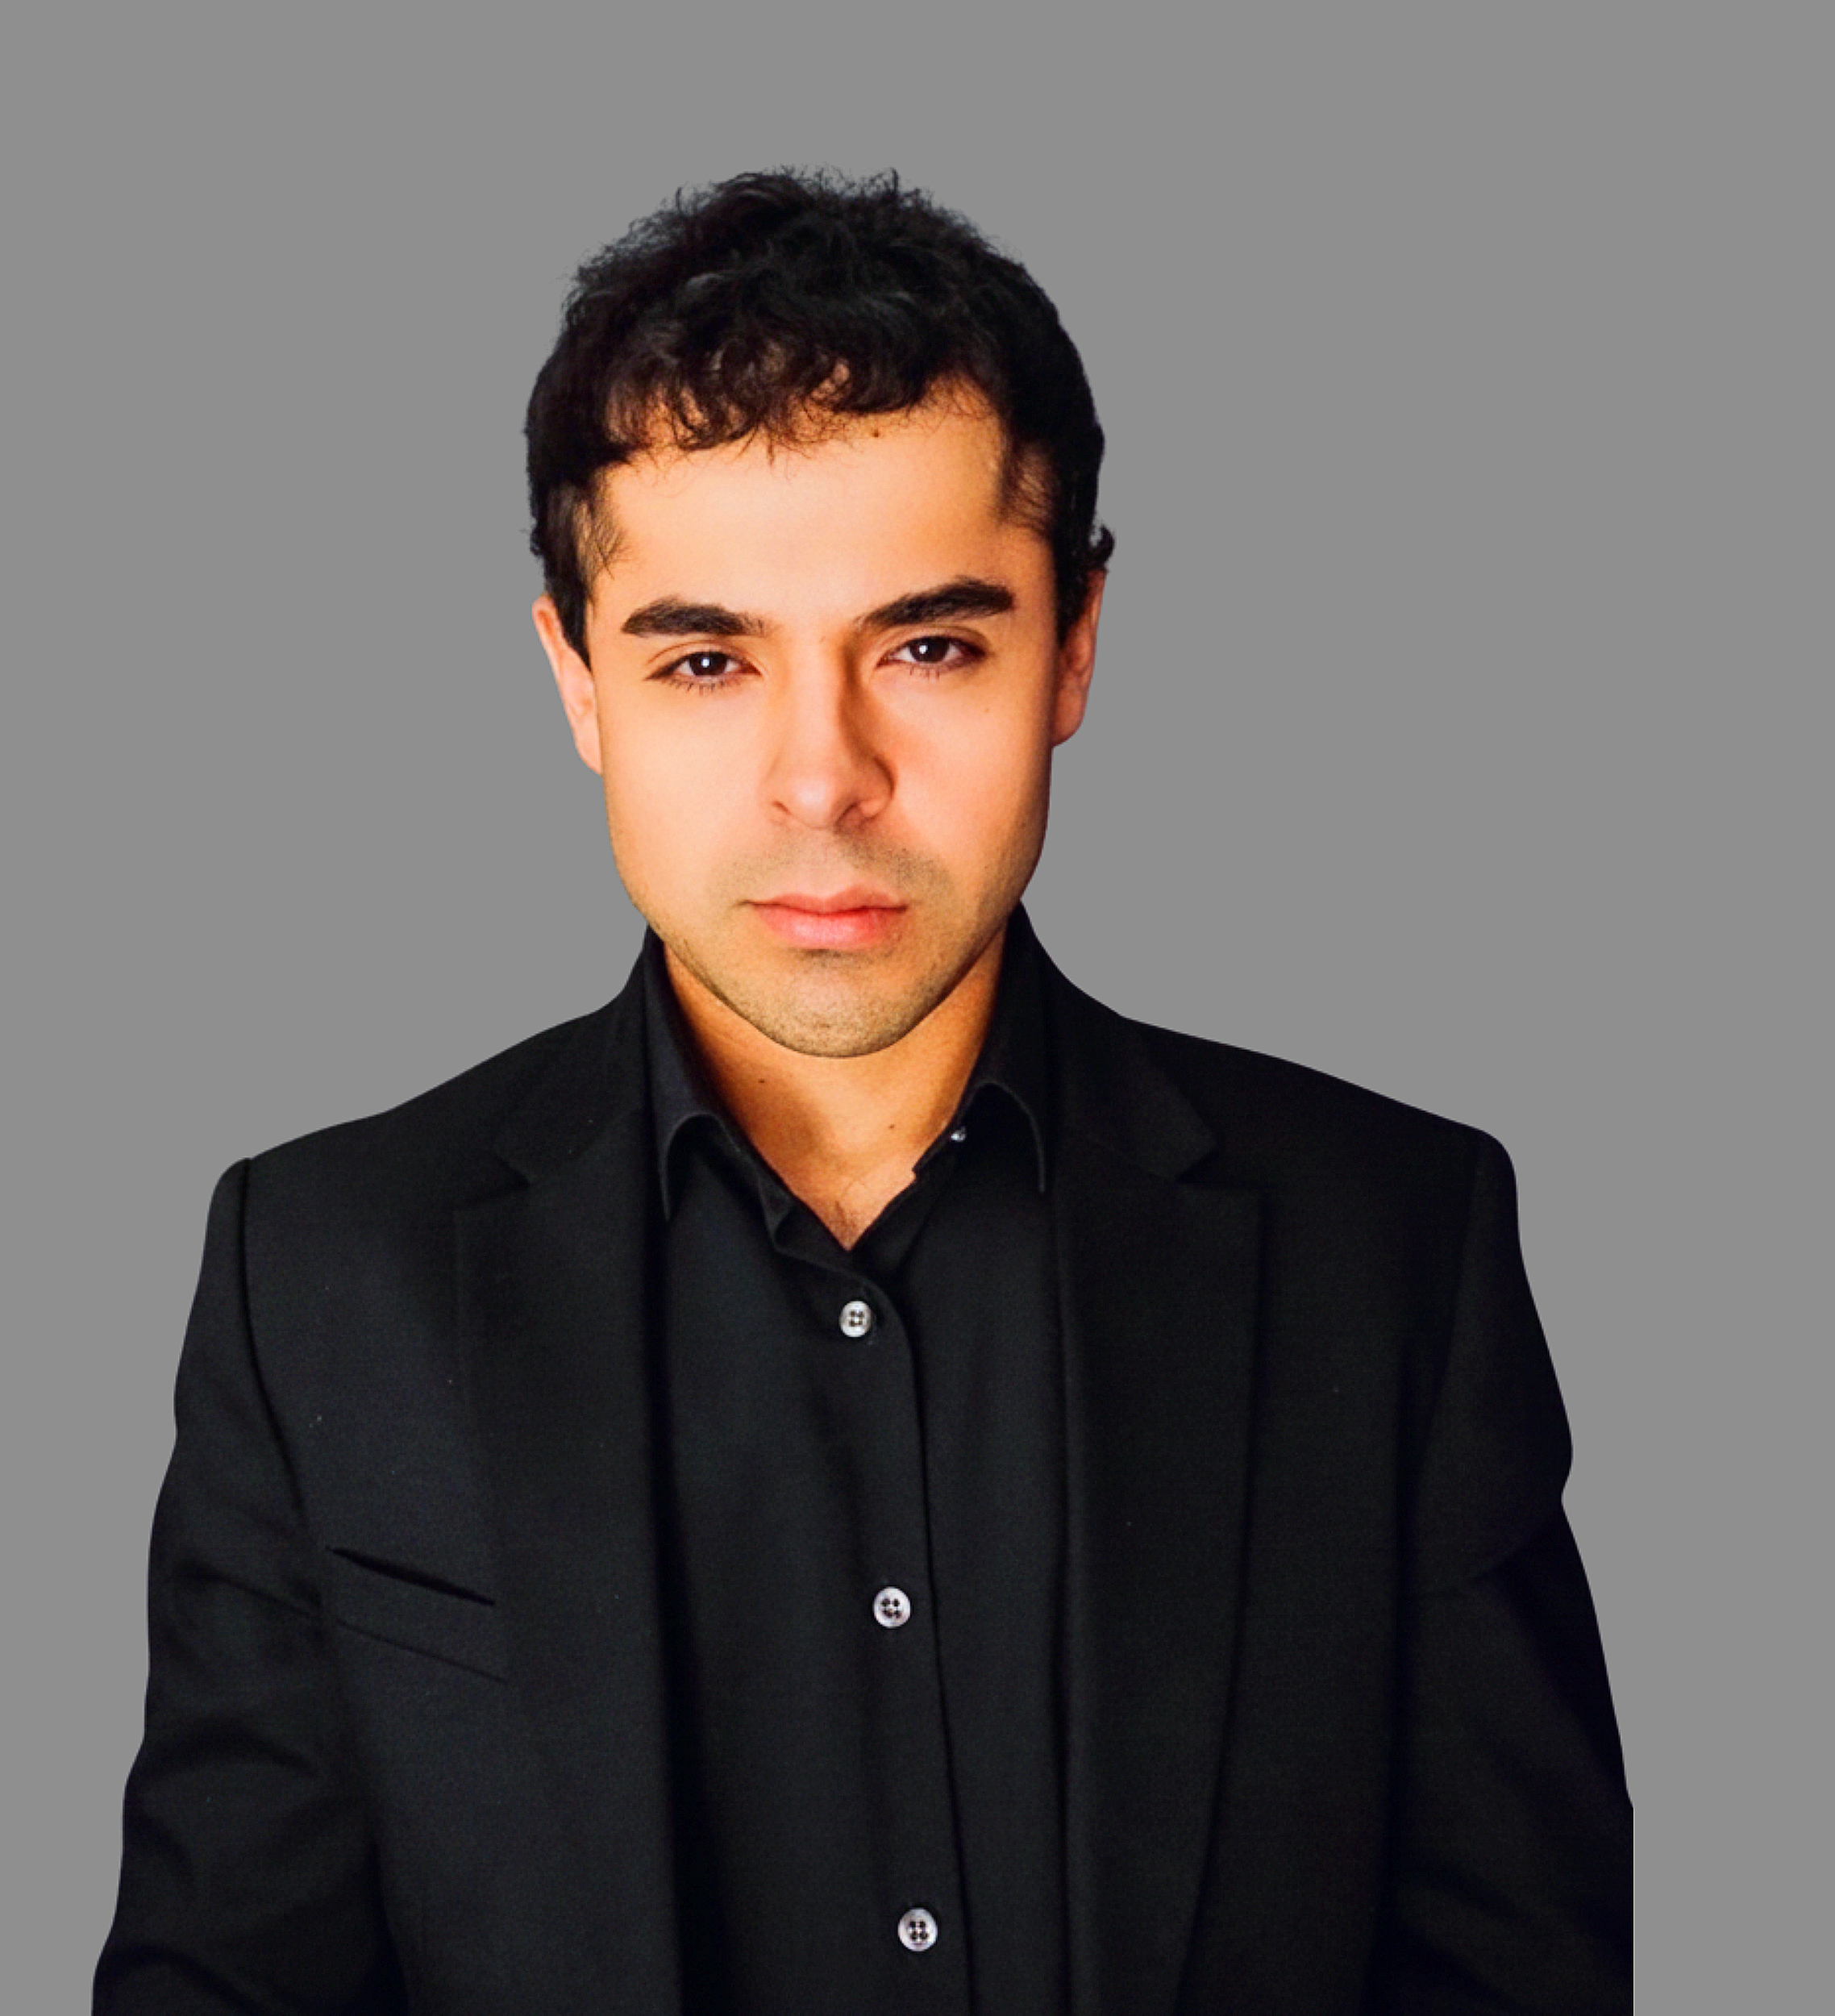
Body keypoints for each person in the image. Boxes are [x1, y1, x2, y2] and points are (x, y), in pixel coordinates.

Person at [95, 169, 1631, 2014]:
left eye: (925, 645)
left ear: (1070, 645)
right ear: (576, 680)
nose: (820, 778)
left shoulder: (1391, 1243)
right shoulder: (321, 1274)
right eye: (705, 657)